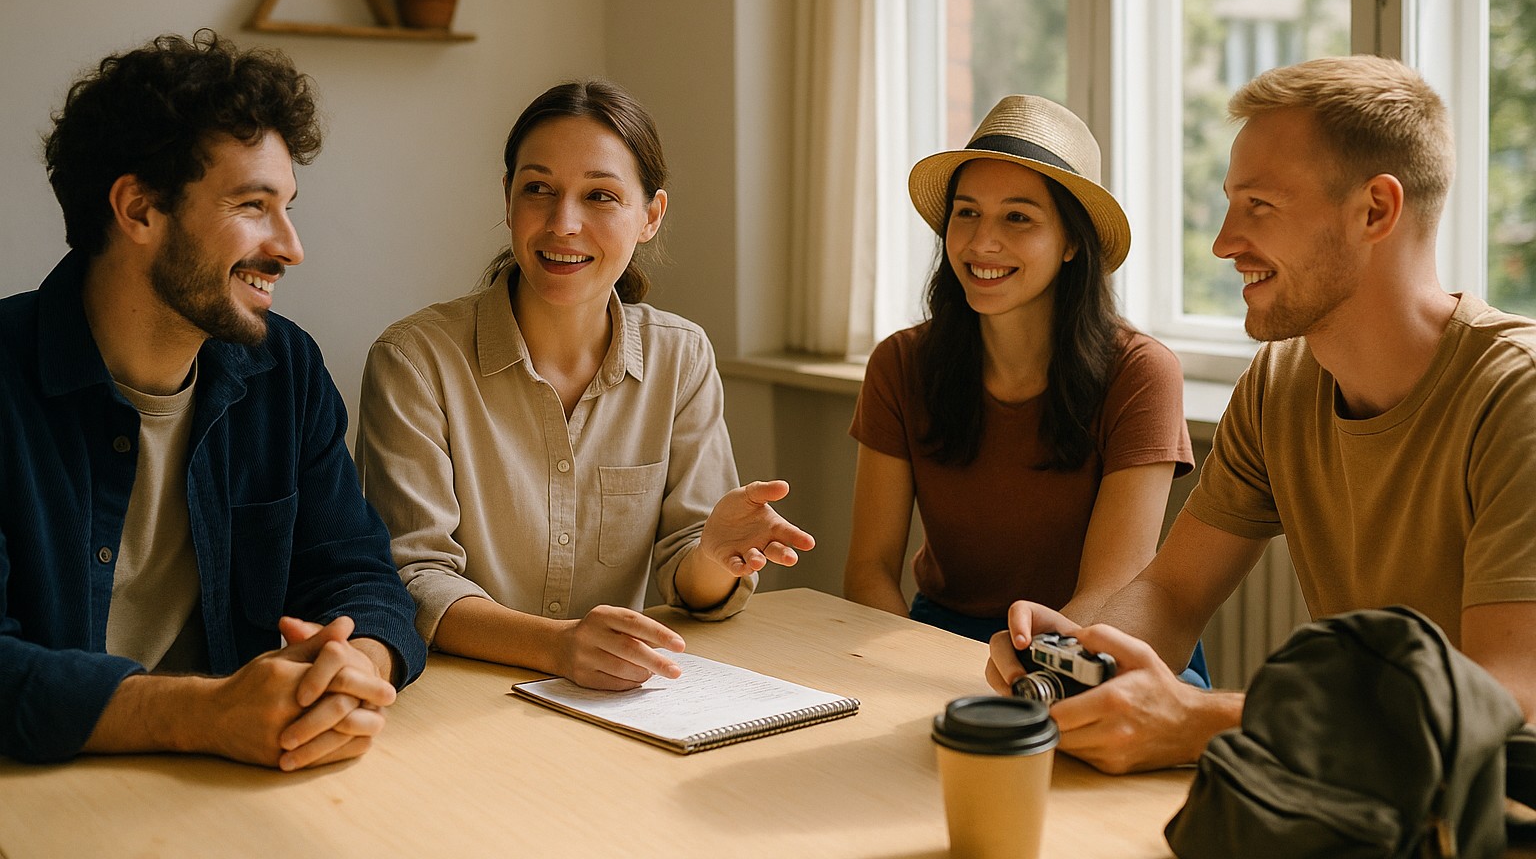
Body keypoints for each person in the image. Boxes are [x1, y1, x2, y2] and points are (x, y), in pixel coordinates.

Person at [986, 55, 1536, 773]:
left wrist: (1199, 722)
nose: (1222, 242)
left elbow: (1507, 697)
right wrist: (1083, 657)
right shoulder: (1282, 382)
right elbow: (1173, 593)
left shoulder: (1516, 397)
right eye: (1229, 202)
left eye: (1260, 206)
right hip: (1363, 793)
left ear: (1375, 210)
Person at [0, 31, 426, 768]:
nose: (291, 247)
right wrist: (205, 713)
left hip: (243, 774)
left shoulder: (285, 369)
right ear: (138, 209)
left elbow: (358, 574)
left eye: (288, 206)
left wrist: (360, 666)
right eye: (254, 205)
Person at [356, 78, 814, 691]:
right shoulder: (415, 360)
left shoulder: (680, 356)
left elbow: (689, 573)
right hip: (454, 694)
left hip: (610, 694)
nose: (563, 223)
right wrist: (561, 647)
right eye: (538, 189)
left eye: (600, 196)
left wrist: (712, 553)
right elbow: (413, 576)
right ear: (509, 199)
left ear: (650, 216)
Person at [843, 94, 1198, 666]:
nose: (982, 243)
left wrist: (1030, 669)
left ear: (1072, 243)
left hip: (1090, 641)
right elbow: (869, 570)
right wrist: (911, 668)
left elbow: (1109, 592)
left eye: (1018, 217)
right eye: (966, 212)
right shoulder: (900, 363)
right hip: (937, 638)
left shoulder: (1141, 372)